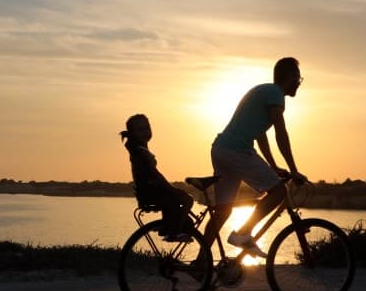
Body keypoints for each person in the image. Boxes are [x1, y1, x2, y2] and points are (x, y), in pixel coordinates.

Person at [203, 57, 307, 258]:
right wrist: (293, 170)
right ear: (291, 77)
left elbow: (260, 134)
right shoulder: (276, 95)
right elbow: (281, 133)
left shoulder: (264, 91)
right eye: (298, 79)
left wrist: (273, 166)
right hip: (237, 151)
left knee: (222, 212)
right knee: (279, 192)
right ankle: (243, 233)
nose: (299, 84)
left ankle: (200, 264)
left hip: (221, 149)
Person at [121, 113, 194, 242]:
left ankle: (168, 226)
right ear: (132, 133)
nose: (145, 132)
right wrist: (172, 189)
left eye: (147, 128)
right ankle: (174, 232)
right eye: (140, 129)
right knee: (187, 200)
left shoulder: (140, 148)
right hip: (151, 192)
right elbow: (155, 175)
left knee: (180, 209)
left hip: (148, 192)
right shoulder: (140, 152)